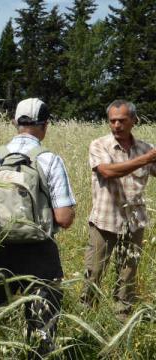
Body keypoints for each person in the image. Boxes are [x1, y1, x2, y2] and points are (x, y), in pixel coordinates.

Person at [0, 98, 76, 358]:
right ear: (45, 125)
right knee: (43, 326)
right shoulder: (49, 160)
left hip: (1, 250)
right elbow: (64, 217)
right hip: (41, 253)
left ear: (15, 123)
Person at [80, 100, 156, 321]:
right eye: (112, 120)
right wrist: (145, 159)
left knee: (127, 273)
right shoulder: (99, 145)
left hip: (134, 222)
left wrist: (148, 158)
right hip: (105, 221)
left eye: (121, 120)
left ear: (134, 120)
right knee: (93, 272)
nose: (116, 125)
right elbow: (108, 171)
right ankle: (85, 319)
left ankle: (122, 319)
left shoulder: (145, 148)